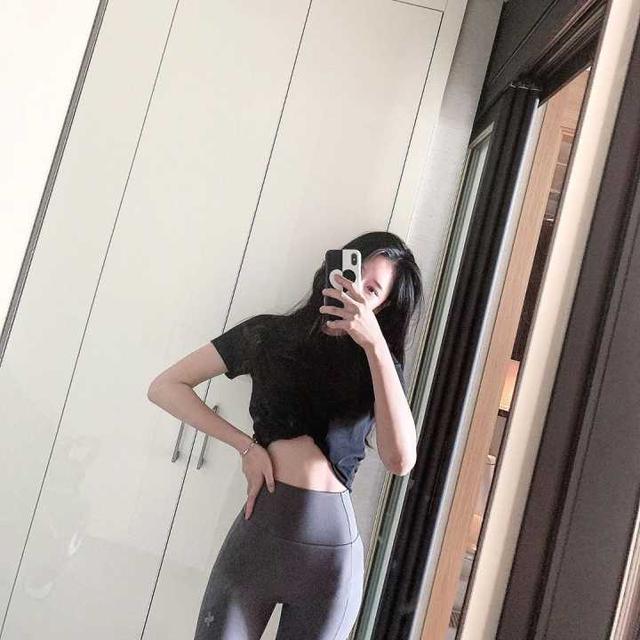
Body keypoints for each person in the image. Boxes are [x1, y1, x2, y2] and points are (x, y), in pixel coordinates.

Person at [147, 230, 423, 639]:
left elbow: (400, 461)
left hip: (330, 562)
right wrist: (245, 446)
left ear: (382, 306)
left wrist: (376, 346)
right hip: (259, 538)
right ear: (335, 266)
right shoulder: (267, 334)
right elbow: (165, 387)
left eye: (372, 290)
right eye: (355, 273)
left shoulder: (380, 366)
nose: (356, 291)